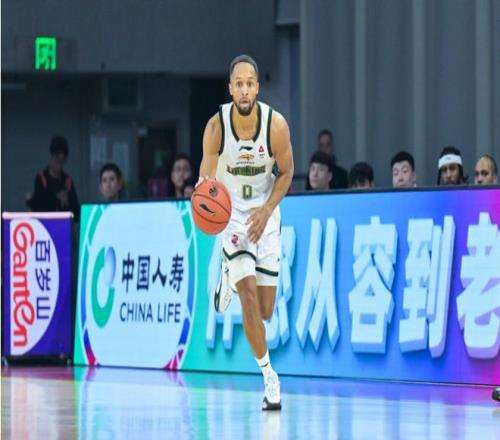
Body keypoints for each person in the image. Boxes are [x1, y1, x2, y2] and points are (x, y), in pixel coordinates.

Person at [198, 54, 294, 411]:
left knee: (266, 310)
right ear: (230, 88)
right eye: (238, 83)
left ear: (257, 87)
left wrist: (267, 211)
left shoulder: (276, 125)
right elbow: (206, 183)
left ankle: (228, 274)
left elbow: (287, 172)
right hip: (234, 218)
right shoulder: (216, 127)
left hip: (265, 216)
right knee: (249, 300)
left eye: (249, 83)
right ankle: (269, 377)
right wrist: (208, 208)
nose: (243, 89)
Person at [26, 136, 80, 220]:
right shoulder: (41, 178)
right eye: (57, 159)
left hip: (63, 224)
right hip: (45, 224)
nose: (59, 164)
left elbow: (76, 213)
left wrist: (67, 202)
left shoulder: (68, 181)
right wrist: (56, 199)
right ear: (51, 157)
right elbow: (38, 207)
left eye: (62, 161)